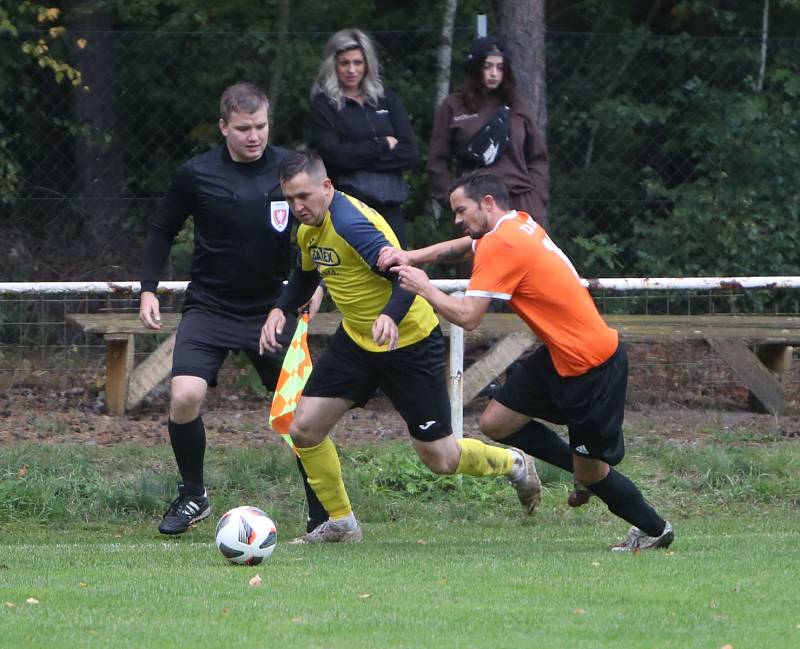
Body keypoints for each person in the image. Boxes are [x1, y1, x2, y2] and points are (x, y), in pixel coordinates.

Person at [380, 170, 674, 552]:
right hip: (559, 355)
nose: (457, 219)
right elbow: (461, 246)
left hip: (593, 366)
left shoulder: (500, 244)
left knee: (594, 473)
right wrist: (413, 255)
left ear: (487, 203)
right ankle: (581, 469)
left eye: (461, 210)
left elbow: (469, 317)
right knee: (496, 422)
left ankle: (654, 528)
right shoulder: (517, 224)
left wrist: (423, 285)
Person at [259, 149, 541, 544]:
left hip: (407, 342)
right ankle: (341, 523)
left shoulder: (351, 225)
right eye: (289, 199)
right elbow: (304, 276)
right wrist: (280, 309)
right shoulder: (309, 229)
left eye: (304, 196)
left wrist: (390, 315)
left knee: (440, 458)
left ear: (326, 186)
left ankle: (513, 463)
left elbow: (407, 274)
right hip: (358, 340)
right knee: (303, 429)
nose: (297, 206)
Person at [139, 82, 328, 536]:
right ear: (224, 127)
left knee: (303, 414)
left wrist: (316, 284)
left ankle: (322, 510)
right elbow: (162, 228)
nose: (253, 136)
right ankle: (193, 496)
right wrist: (148, 289)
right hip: (210, 306)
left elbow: (322, 225)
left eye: (260, 126)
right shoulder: (196, 173)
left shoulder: (290, 170)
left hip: (274, 308)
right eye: (243, 128)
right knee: (184, 396)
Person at [310, 28, 419, 248]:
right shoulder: (323, 105)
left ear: (367, 64)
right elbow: (333, 157)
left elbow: (410, 154)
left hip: (390, 205)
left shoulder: (388, 99)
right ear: (334, 64)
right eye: (344, 63)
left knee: (397, 270)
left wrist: (356, 160)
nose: (352, 70)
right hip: (348, 205)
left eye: (358, 62)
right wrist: (382, 144)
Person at [428, 35, 549, 230]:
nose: (494, 73)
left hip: (521, 203)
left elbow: (537, 157)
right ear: (475, 67)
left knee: (525, 260)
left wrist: (537, 198)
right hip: (477, 205)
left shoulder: (516, 105)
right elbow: (437, 162)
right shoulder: (454, 106)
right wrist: (455, 203)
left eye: (500, 67)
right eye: (487, 66)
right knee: (481, 261)